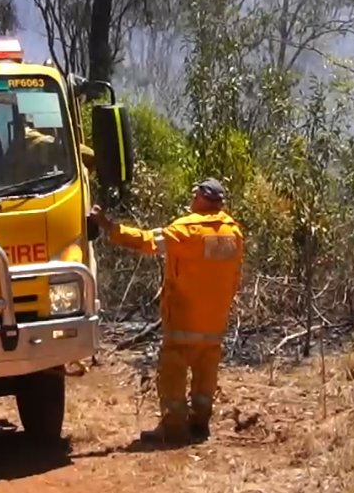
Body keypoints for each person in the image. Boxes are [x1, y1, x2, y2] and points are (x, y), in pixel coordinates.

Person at [89, 178, 244, 444]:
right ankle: (200, 423)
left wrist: (108, 226)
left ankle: (173, 428)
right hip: (215, 323)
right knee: (206, 373)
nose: (192, 197)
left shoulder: (186, 230)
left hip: (184, 320)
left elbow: (146, 241)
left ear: (202, 197)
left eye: (195, 193)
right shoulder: (234, 232)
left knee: (173, 370)